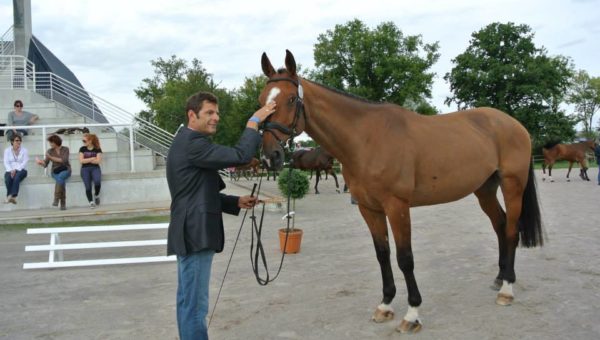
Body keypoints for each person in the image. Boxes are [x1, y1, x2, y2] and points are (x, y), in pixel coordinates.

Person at [166, 91, 276, 340]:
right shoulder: (194, 143)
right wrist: (254, 122)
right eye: (209, 113)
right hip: (195, 235)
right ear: (192, 115)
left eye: (217, 113)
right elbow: (241, 155)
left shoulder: (187, 142)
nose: (216, 118)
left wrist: (236, 201)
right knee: (195, 309)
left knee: (188, 304)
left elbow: (200, 193)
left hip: (189, 232)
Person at [35, 134, 71, 210]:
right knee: (61, 180)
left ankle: (56, 199)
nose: (50, 144)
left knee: (61, 178)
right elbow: (46, 163)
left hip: (66, 169)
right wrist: (41, 162)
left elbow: (63, 160)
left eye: (51, 142)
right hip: (55, 171)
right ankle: (62, 204)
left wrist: (50, 157)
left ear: (56, 142)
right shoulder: (49, 151)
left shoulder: (65, 149)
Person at [79, 133, 103, 208]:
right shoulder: (82, 149)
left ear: (90, 141)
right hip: (84, 169)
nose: (83, 142)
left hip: (95, 168)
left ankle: (96, 195)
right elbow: (81, 161)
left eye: (84, 141)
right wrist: (92, 158)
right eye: (83, 141)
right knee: (88, 187)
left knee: (97, 182)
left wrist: (86, 160)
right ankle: (91, 202)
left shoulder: (97, 149)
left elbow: (98, 161)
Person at [3, 135, 28, 204]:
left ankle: (12, 196)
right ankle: (11, 197)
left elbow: (24, 162)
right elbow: (6, 162)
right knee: (8, 178)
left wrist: (16, 170)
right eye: (17, 140)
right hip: (10, 170)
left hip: (21, 170)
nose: (19, 142)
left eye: (20, 140)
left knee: (16, 177)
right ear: (12, 142)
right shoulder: (7, 150)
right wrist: (11, 170)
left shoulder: (24, 150)